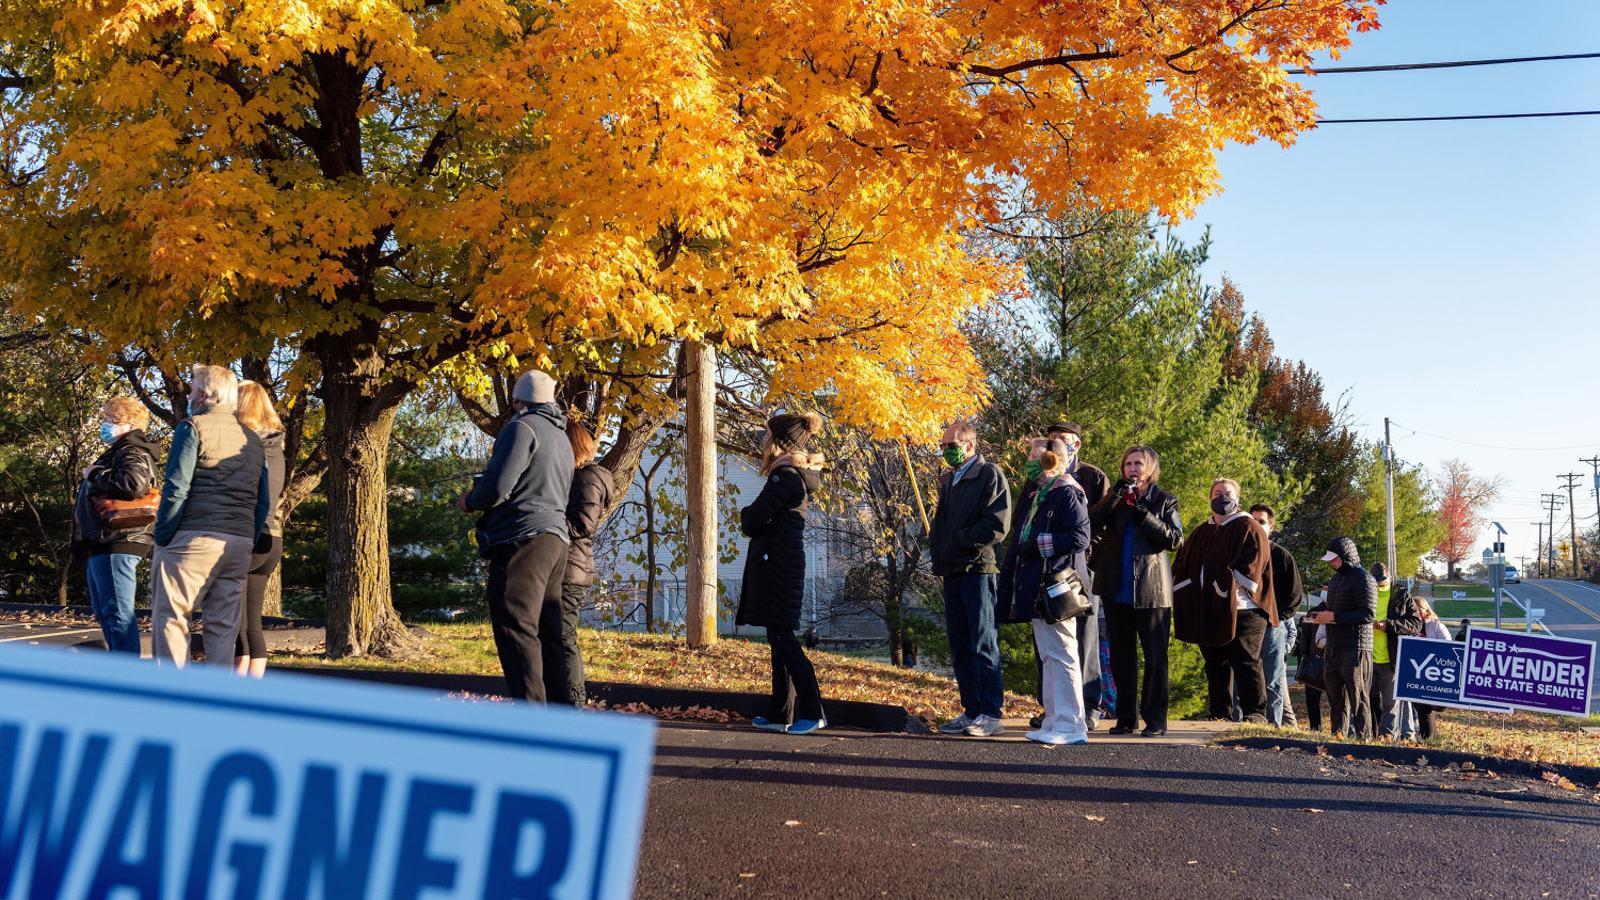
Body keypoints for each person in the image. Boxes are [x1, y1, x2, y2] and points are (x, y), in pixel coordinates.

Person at [460, 371, 575, 703]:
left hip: (522, 536)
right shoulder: (562, 437)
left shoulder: (522, 428)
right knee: (547, 631)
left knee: (517, 628)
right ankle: (560, 714)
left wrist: (470, 499)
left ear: (519, 400)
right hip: (556, 539)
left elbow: (498, 487)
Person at [150, 365, 271, 667]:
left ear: (204, 394)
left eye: (192, 389)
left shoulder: (192, 427)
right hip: (239, 542)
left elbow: (176, 487)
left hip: (195, 536)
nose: (189, 394)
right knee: (224, 627)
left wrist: (162, 535)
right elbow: (262, 499)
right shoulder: (254, 441)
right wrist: (249, 536)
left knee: (172, 617)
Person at [737, 413, 828, 735]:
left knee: (783, 638)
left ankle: (813, 710)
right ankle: (781, 712)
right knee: (777, 637)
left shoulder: (784, 477)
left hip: (777, 563)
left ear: (779, 441)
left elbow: (752, 521)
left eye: (767, 436)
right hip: (782, 563)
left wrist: (746, 513)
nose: (763, 441)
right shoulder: (794, 476)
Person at [998, 439, 1092, 745]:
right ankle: (1054, 719)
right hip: (1037, 586)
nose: (1031, 463)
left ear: (1054, 460)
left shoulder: (1067, 492)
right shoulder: (1039, 495)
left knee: (1064, 653)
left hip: (1056, 587)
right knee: (1050, 655)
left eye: (1037, 457)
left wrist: (1039, 545)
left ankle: (1072, 724)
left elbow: (1080, 537)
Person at [1090, 445, 1182, 737]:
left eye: (1138, 464)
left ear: (1151, 468)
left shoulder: (1165, 501)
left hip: (1151, 590)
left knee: (1155, 658)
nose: (1132, 468)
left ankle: (1155, 720)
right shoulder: (1115, 499)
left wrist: (1142, 513)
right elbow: (1090, 522)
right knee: (1121, 657)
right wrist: (1115, 496)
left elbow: (1174, 540)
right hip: (1116, 588)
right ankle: (1126, 718)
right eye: (1127, 463)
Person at [928, 422, 1012, 737]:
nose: (946, 450)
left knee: (982, 642)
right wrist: (938, 548)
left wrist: (960, 540)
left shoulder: (989, 474)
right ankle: (971, 709)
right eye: (943, 444)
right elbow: (941, 524)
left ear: (969, 445)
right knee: (960, 644)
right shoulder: (948, 479)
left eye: (951, 444)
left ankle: (991, 713)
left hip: (978, 569)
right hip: (953, 570)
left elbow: (997, 524)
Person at [1172, 478, 1274, 722]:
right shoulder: (1201, 531)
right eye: (1217, 492)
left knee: (1246, 661)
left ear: (1237, 498)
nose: (1221, 497)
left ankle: (1255, 712)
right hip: (1210, 609)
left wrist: (1221, 585)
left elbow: (1253, 565)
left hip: (1244, 609)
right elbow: (1183, 564)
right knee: (1215, 662)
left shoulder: (1249, 527)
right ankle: (1219, 712)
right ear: (1210, 497)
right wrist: (1186, 587)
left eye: (1227, 493)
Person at [73, 397, 162, 654]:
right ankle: (119, 666)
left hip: (118, 538)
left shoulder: (131, 450)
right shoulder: (123, 450)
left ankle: (126, 673)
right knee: (107, 611)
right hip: (106, 540)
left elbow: (134, 484)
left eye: (111, 420)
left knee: (117, 612)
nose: (105, 425)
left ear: (129, 424)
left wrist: (95, 474)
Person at [1044, 422, 1109, 728]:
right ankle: (1054, 708)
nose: (1056, 443)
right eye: (1052, 439)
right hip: (1051, 568)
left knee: (1085, 636)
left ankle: (1091, 706)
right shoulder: (1043, 475)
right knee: (1051, 638)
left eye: (1063, 439)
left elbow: (1102, 521)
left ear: (1077, 445)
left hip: (1083, 567)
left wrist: (1088, 554)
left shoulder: (1093, 476)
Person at [554, 420, 615, 706]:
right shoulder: (578, 477)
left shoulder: (587, 478)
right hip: (567, 565)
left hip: (571, 568)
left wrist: (546, 517)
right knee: (557, 636)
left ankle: (574, 702)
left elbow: (582, 524)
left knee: (565, 637)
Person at [233, 381, 284, 678]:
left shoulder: (247, 445)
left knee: (236, 622)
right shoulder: (276, 445)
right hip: (272, 536)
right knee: (254, 623)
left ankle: (234, 693)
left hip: (248, 535)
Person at [1307, 537, 1377, 738]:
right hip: (1334, 645)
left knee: (1359, 696)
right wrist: (1319, 617)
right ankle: (1338, 735)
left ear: (1345, 556)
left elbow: (1368, 615)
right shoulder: (1336, 579)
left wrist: (1334, 617)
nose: (1331, 563)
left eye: (1334, 559)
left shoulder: (1364, 578)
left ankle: (1364, 739)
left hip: (1356, 647)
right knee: (1335, 697)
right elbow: (1333, 610)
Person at [1250, 504, 1304, 728]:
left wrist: (1276, 617)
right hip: (1246, 628)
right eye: (1252, 521)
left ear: (1271, 526)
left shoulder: (1282, 556)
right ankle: (1245, 725)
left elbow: (1294, 596)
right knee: (1244, 679)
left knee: (1273, 682)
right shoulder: (1241, 553)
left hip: (1272, 628)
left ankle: (1274, 727)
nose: (1257, 525)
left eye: (1261, 521)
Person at [1368, 563, 1422, 739]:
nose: (1380, 583)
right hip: (1367, 656)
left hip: (1391, 658)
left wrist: (1389, 626)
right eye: (1376, 580)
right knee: (1368, 701)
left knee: (1391, 703)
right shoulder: (1366, 593)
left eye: (1383, 579)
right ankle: (1369, 736)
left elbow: (1416, 624)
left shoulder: (1401, 594)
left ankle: (1387, 736)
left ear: (1390, 576)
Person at [1412, 596, 1451, 740]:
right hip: (1416, 672)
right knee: (1422, 708)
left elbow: (1449, 647)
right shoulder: (1408, 625)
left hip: (1434, 672)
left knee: (1429, 707)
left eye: (1419, 608)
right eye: (1413, 609)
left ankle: (1429, 738)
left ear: (1426, 609)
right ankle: (1427, 738)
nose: (1416, 612)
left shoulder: (1436, 626)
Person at [1296, 597, 1330, 730]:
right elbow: (1305, 637)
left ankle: (1338, 728)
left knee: (1336, 699)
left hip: (1333, 660)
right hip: (1314, 660)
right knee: (1312, 698)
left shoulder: (1341, 611)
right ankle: (1315, 727)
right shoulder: (1313, 612)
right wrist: (1304, 659)